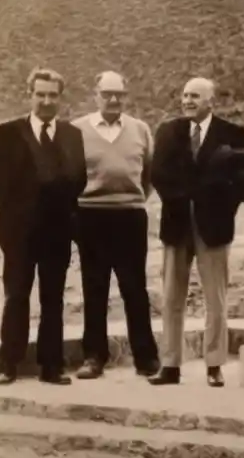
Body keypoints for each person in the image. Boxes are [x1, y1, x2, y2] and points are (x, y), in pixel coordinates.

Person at [0, 67, 87, 386]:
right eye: (40, 94)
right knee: (16, 296)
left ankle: (51, 367)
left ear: (60, 98)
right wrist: (16, 209)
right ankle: (8, 364)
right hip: (19, 232)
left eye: (53, 95)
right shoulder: (7, 132)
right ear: (30, 95)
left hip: (57, 231)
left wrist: (59, 208)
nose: (46, 101)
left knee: (53, 298)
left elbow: (79, 176)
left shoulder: (72, 135)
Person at [147, 77, 244, 388]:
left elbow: (243, 180)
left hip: (214, 226)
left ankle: (214, 364)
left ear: (211, 101)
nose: (188, 101)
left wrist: (217, 206)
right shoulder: (168, 131)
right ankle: (170, 365)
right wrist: (186, 198)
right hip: (177, 223)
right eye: (184, 95)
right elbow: (159, 175)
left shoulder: (232, 134)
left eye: (195, 96)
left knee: (215, 298)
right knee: (171, 297)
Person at [71, 71, 160, 380]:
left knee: (135, 288)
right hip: (90, 216)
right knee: (94, 288)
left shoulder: (140, 130)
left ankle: (146, 359)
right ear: (95, 94)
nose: (113, 100)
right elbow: (69, 174)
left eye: (119, 95)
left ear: (126, 96)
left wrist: (130, 198)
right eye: (106, 94)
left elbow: (148, 175)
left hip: (130, 216)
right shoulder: (77, 130)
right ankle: (94, 357)